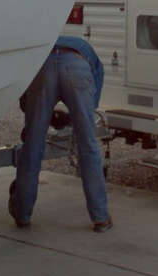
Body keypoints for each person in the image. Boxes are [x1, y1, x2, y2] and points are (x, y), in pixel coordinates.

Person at [9, 35, 112, 232]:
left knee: (32, 148)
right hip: (78, 66)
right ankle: (100, 218)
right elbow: (94, 97)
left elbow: (25, 96)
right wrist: (81, 116)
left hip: (43, 64)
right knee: (88, 147)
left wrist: (33, 119)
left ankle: (22, 214)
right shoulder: (85, 49)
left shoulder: (41, 45)